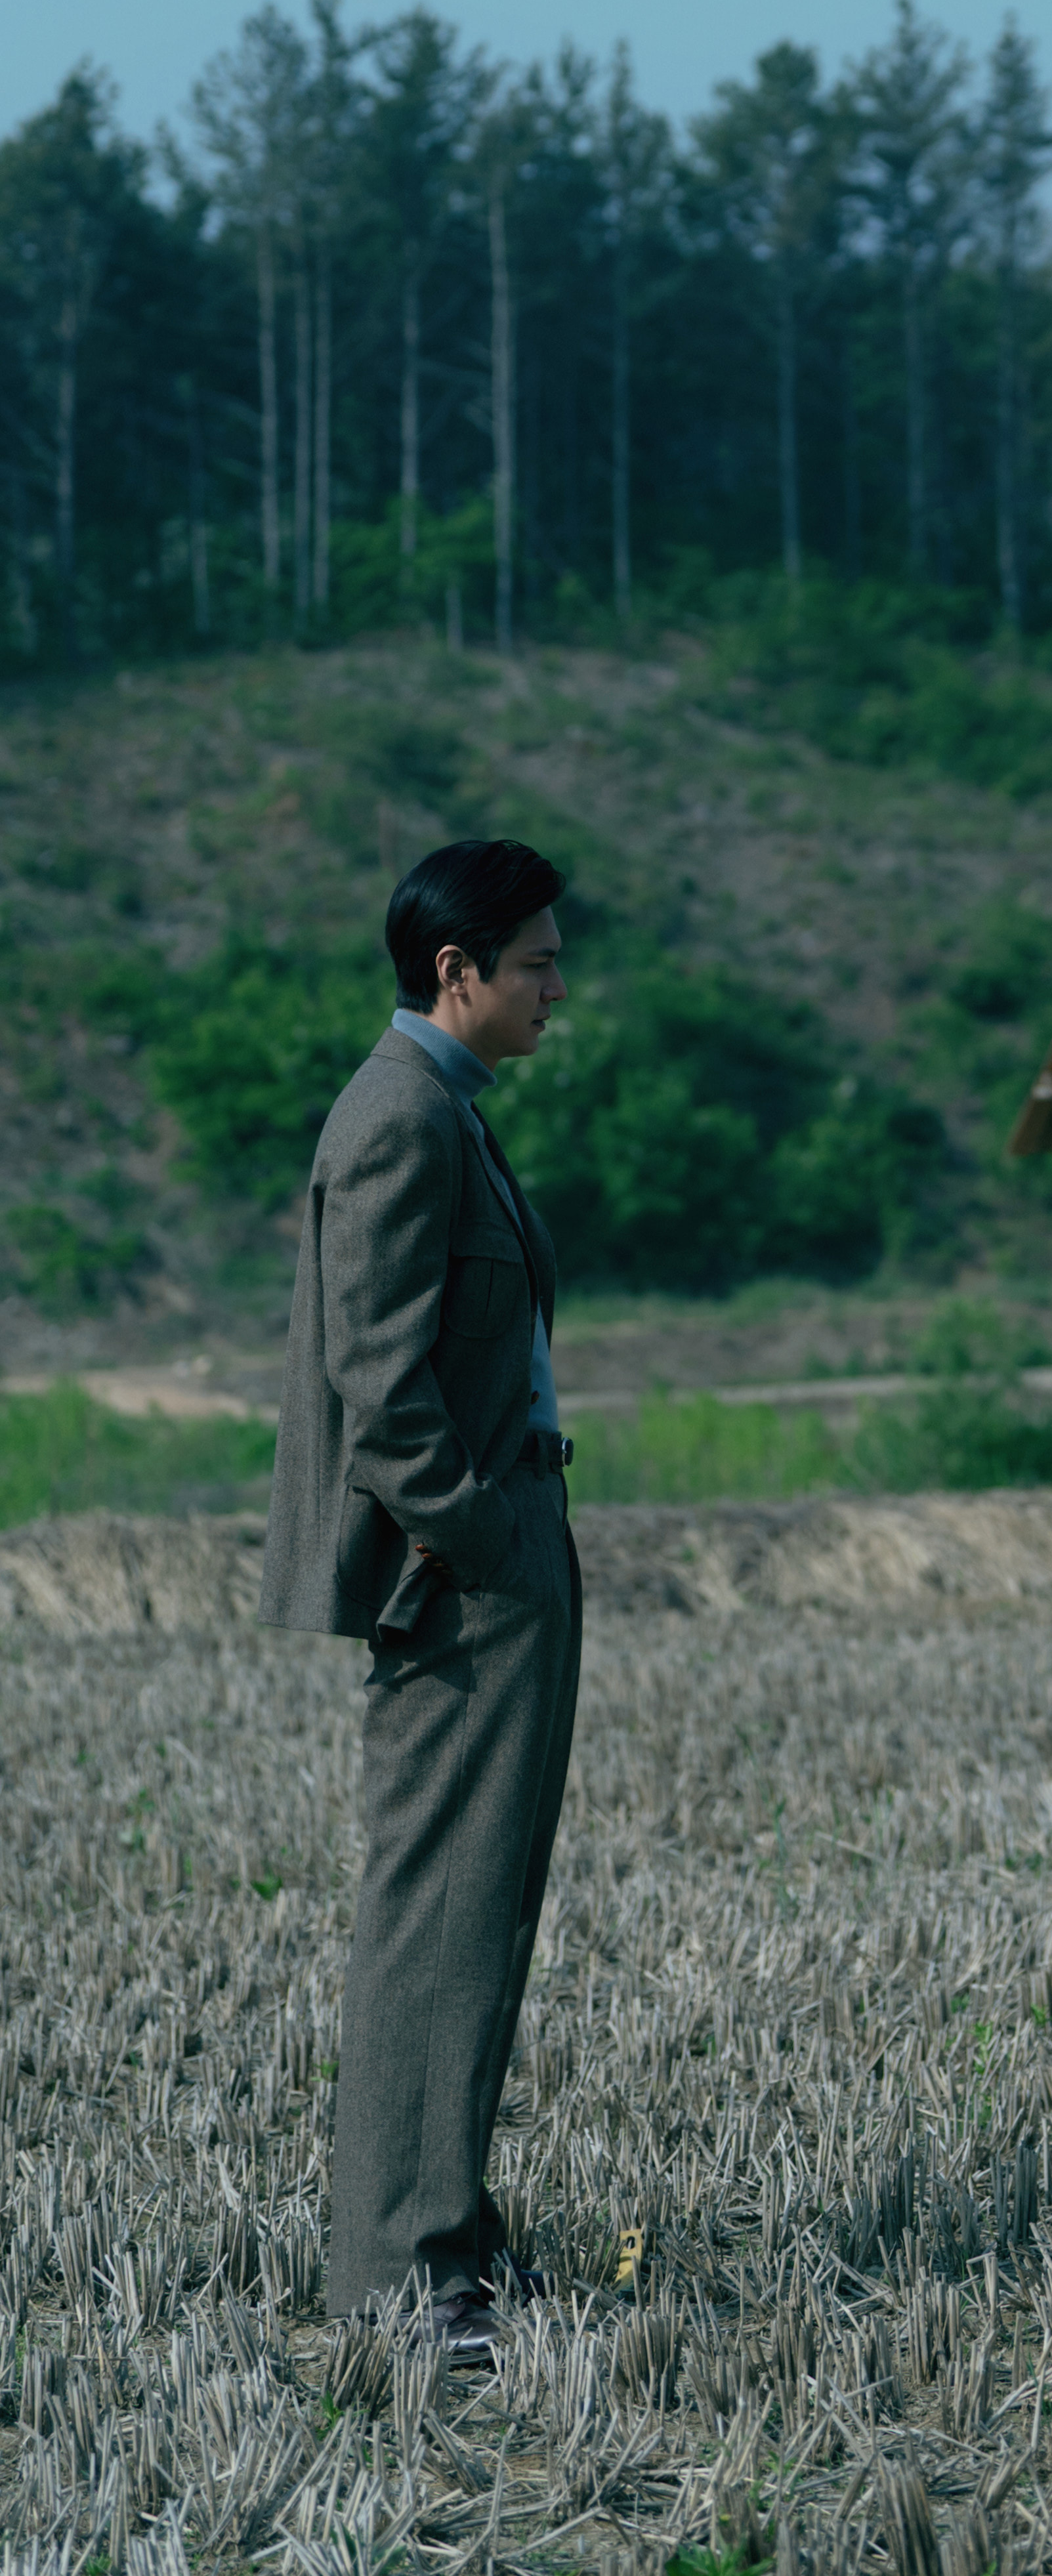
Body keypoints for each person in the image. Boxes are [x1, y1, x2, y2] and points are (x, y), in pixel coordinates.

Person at [261, 839, 581, 2353]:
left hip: (495, 1560)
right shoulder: (399, 1119)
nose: (554, 989)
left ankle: (444, 2236)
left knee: (477, 1914)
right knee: (437, 1919)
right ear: (456, 971)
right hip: (459, 1580)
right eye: (533, 964)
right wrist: (483, 1538)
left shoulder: (443, 1108)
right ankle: (402, 2280)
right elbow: (378, 1392)